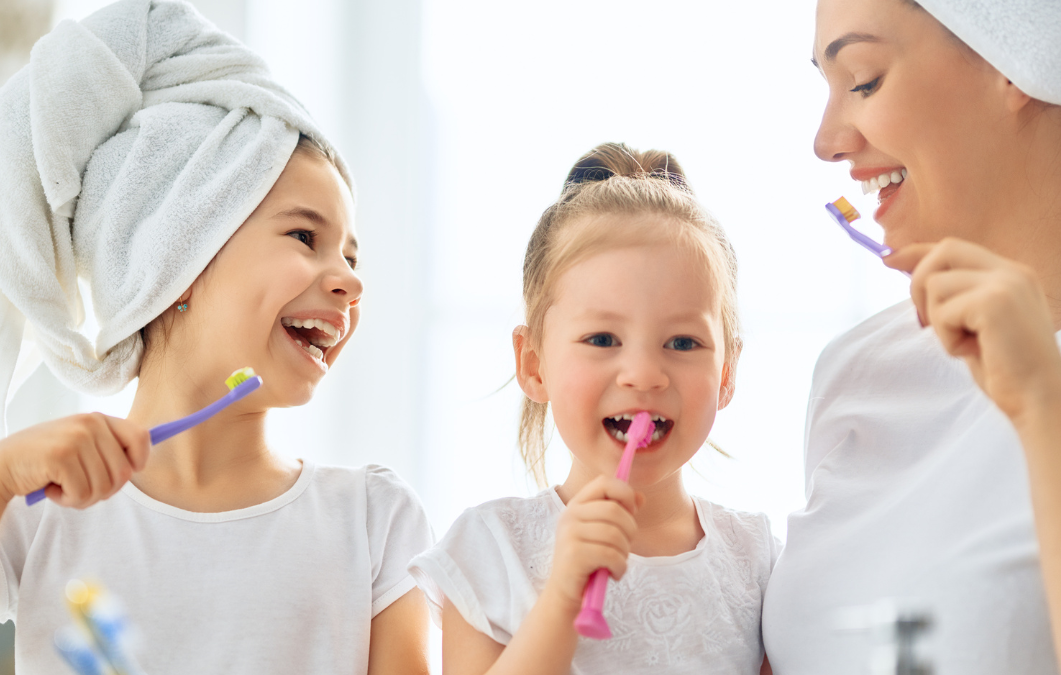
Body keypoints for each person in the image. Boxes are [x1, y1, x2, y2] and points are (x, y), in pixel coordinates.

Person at [0, 1, 432, 672]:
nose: (348, 281)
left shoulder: (371, 521)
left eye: (352, 257)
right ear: (178, 264)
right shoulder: (39, 511)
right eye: (306, 236)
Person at [762, 0, 1061, 672]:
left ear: (1014, 66)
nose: (826, 139)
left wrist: (1043, 405)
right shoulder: (857, 369)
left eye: (863, 79)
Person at [409, 143, 780, 674]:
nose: (645, 374)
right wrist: (561, 598)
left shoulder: (759, 561)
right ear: (534, 364)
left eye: (682, 343)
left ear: (727, 372)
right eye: (603, 338)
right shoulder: (491, 550)